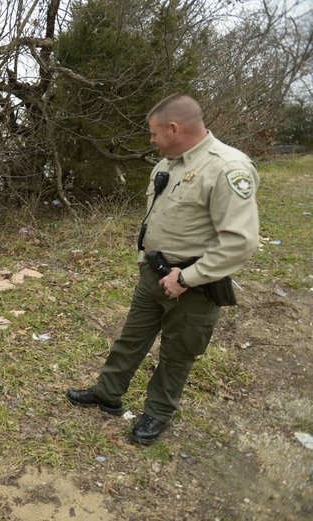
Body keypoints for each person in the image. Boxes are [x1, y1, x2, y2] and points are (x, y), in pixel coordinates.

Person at [66, 94, 260, 445]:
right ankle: (107, 393)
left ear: (174, 128)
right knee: (130, 339)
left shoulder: (227, 167)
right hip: (153, 274)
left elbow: (240, 242)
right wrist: (147, 262)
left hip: (194, 286)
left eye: (155, 134)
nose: (151, 141)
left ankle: (156, 414)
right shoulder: (166, 166)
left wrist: (187, 277)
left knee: (176, 354)